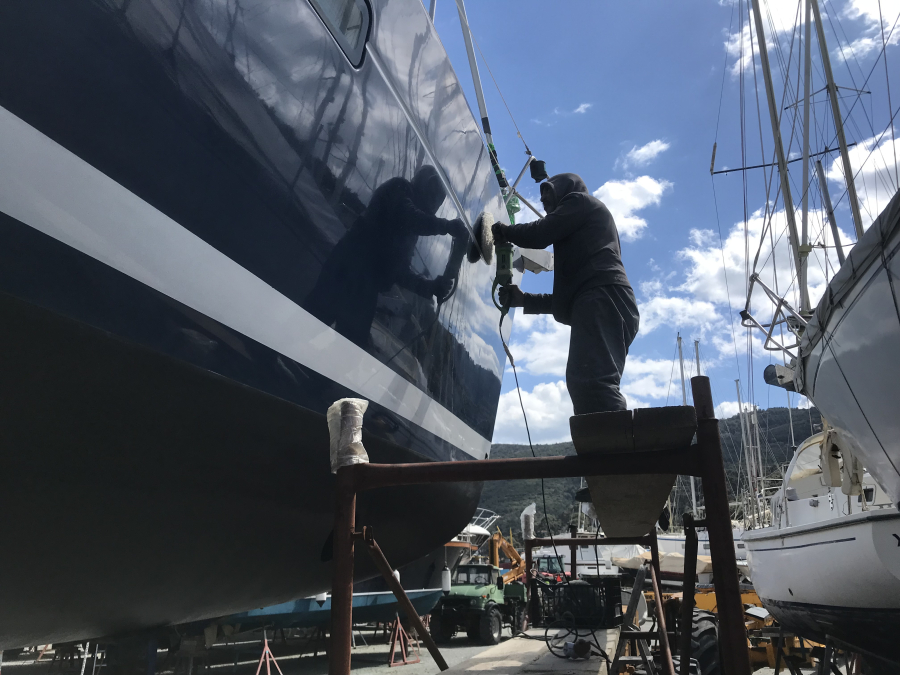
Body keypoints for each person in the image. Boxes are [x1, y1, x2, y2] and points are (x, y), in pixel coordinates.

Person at [492, 173, 639, 414]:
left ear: (564, 189)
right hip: (607, 301)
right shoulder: (582, 245)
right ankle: (606, 437)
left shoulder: (579, 201)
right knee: (587, 383)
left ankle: (613, 438)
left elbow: (540, 233)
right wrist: (525, 300)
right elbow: (571, 298)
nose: (542, 200)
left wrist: (505, 231)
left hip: (604, 300)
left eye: (547, 191)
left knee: (592, 383)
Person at [305, 165, 468, 348]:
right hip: (346, 270)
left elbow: (400, 271)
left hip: (366, 287)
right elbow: (408, 216)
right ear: (424, 182)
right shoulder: (399, 188)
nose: (435, 200)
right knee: (308, 323)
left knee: (350, 348)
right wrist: (446, 226)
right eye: (434, 191)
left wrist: (429, 287)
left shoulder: (411, 232)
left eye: (439, 198)